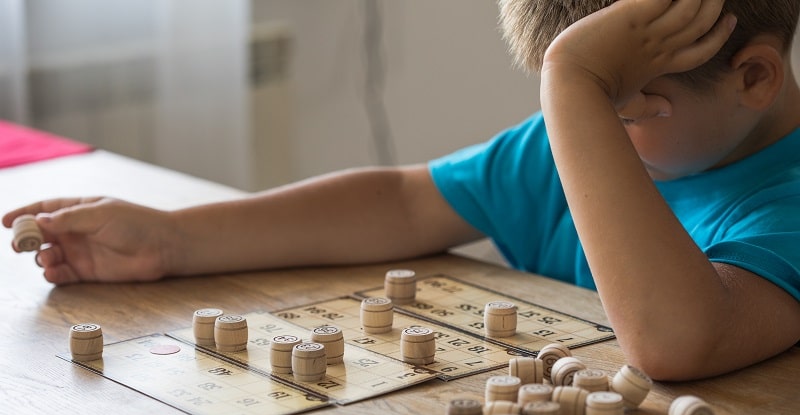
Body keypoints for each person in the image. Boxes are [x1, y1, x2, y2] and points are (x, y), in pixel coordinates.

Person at [4, 0, 800, 381]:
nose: (580, 135)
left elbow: (679, 341)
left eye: (615, 112)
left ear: (754, 76)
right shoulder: (569, 141)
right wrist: (175, 237)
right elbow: (401, 201)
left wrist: (572, 84)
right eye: (576, 112)